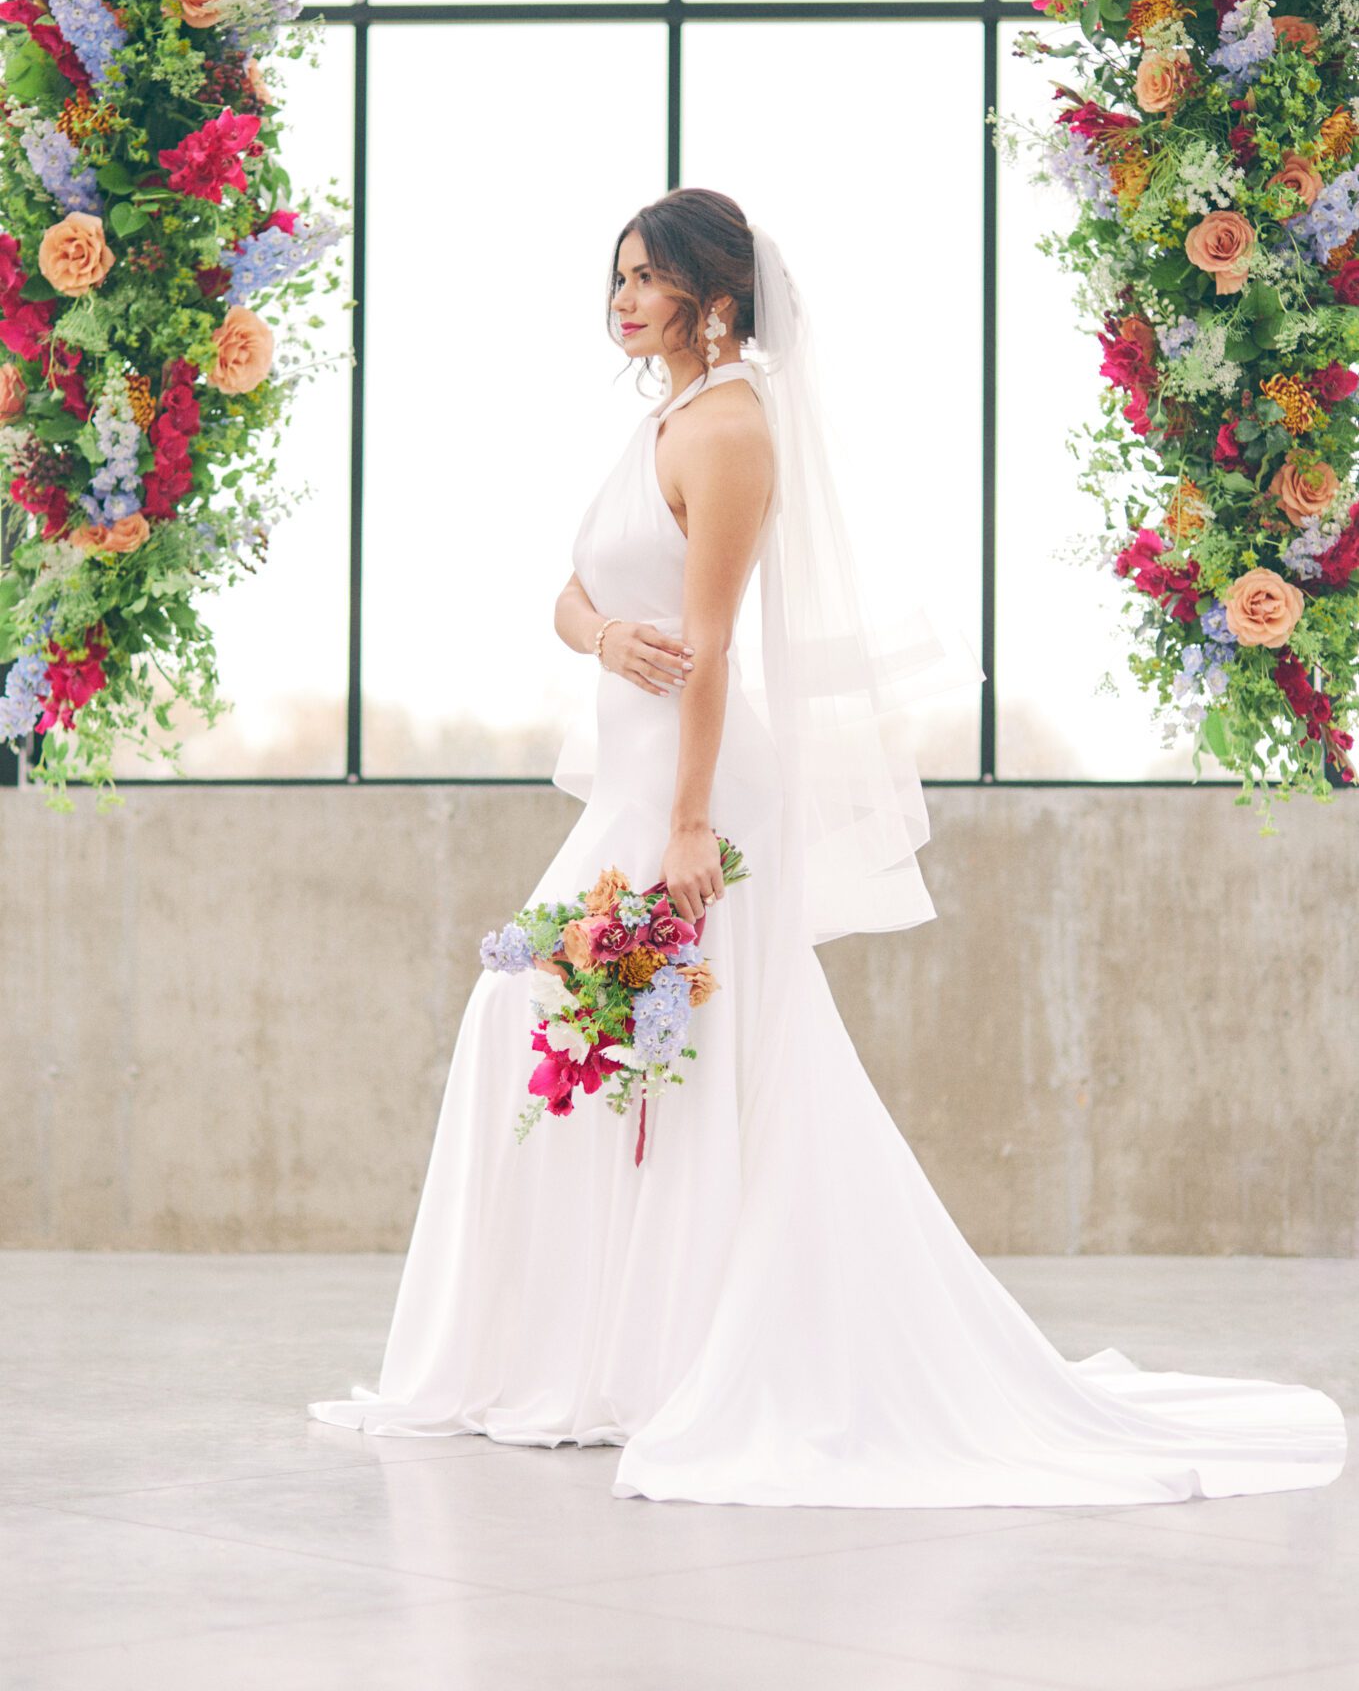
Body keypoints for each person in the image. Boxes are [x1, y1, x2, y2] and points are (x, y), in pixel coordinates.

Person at [309, 188, 1347, 1508]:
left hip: (694, 800)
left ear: (716, 295)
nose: (623, 298)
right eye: (616, 275)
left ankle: (671, 1362)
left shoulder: (733, 427)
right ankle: (599, 1357)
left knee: (626, 1039)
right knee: (571, 1035)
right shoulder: (662, 420)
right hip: (635, 785)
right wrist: (601, 639)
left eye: (650, 276)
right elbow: (571, 597)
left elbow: (718, 642)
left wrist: (688, 822)